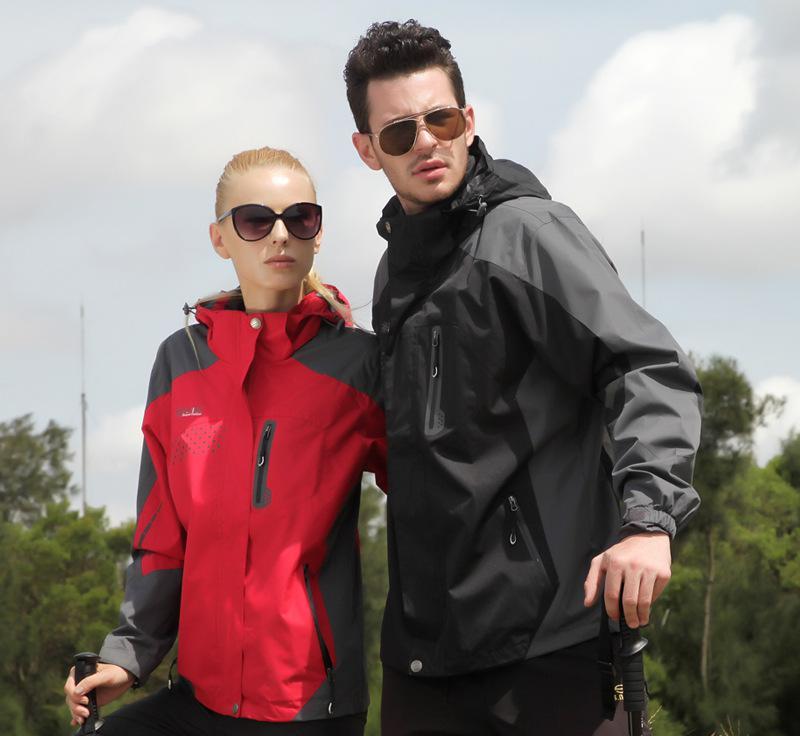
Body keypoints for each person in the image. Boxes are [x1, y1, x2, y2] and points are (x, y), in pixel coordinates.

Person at [344, 20, 702, 736]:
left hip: (548, 644)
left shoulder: (527, 235)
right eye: (400, 132)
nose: (426, 142)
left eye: (442, 119)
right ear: (367, 150)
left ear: (469, 120)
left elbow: (645, 365)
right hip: (425, 658)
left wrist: (647, 521)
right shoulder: (393, 274)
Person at [64, 147, 386, 735]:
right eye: (256, 220)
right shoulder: (180, 360)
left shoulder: (360, 364)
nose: (280, 235)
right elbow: (162, 536)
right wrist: (126, 657)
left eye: (300, 218)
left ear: (318, 235)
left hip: (308, 707)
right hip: (198, 699)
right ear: (220, 239)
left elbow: (433, 495)